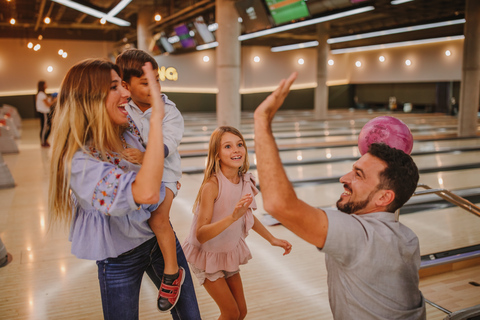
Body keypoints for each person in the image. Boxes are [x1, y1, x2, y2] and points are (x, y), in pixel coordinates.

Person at [252, 72, 426, 320]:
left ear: (384, 198)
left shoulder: (361, 239)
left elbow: (278, 204)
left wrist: (262, 119)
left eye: (358, 174)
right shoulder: (408, 239)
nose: (344, 178)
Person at [48, 58, 200, 320]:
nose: (126, 93)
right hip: (119, 258)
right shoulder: (78, 161)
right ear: (89, 98)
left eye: (123, 85)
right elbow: (147, 193)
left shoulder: (124, 124)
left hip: (157, 240)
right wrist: (156, 123)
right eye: (114, 87)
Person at [182, 126, 292, 320]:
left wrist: (272, 239)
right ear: (217, 154)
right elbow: (201, 234)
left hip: (227, 252)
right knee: (231, 313)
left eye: (239, 144)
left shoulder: (245, 181)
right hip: (206, 256)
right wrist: (232, 217)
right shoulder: (212, 186)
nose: (236, 150)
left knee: (241, 312)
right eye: (228, 146)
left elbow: (247, 215)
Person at [115, 49, 185, 312]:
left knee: (158, 219)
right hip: (139, 177)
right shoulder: (124, 108)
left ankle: (172, 272)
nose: (153, 86)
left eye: (156, 79)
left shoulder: (169, 111)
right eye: (145, 82)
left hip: (165, 174)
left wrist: (147, 156)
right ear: (125, 85)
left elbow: (168, 143)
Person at [36, 80, 56, 147]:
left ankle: (45, 140)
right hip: (43, 113)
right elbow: (48, 104)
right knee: (44, 127)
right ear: (42, 85)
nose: (46, 85)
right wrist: (54, 100)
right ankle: (43, 142)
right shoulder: (41, 94)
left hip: (46, 113)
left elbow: (47, 101)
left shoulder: (43, 94)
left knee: (50, 127)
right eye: (45, 84)